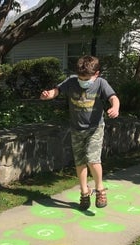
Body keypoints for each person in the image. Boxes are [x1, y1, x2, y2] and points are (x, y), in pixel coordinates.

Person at [40, 55, 120, 210]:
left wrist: (115, 107)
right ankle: (84, 192)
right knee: (80, 161)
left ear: (96, 74)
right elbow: (57, 90)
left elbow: (113, 98)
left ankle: (100, 189)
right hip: (76, 128)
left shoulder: (100, 83)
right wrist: (48, 95)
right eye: (80, 78)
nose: (83, 81)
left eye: (86, 78)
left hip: (95, 128)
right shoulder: (71, 81)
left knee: (92, 158)